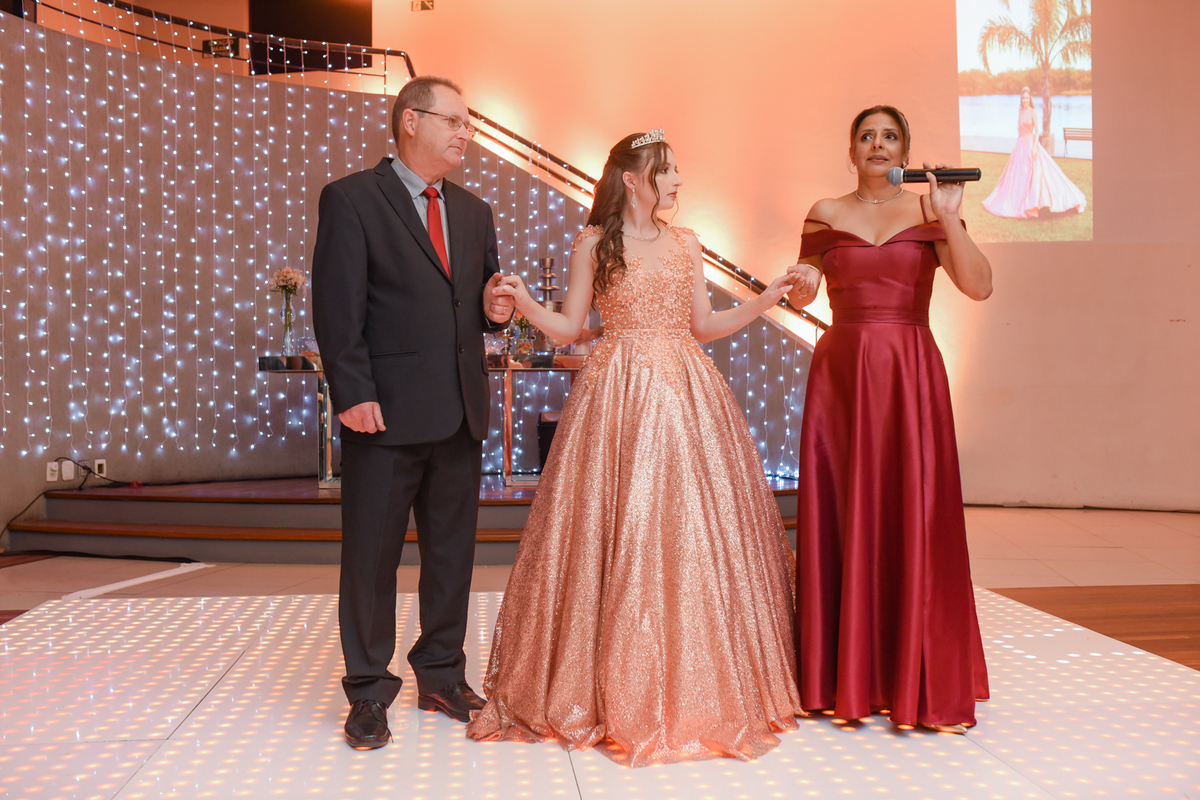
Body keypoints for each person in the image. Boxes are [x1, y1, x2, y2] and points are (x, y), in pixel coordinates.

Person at [465, 131, 805, 767]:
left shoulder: (686, 242)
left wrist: (764, 300)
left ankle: (696, 680)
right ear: (631, 178)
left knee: (686, 530)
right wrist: (526, 303)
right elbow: (569, 328)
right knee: (615, 527)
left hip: (685, 393)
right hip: (616, 393)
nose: (677, 181)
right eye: (665, 170)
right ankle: (607, 684)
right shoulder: (594, 243)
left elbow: (703, 325)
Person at [311, 76, 514, 750]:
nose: (465, 134)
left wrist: (495, 312)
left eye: (468, 124)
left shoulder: (475, 211)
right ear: (409, 122)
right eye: (453, 121)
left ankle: (441, 675)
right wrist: (352, 392)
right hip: (384, 413)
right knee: (371, 559)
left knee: (451, 557)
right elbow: (337, 308)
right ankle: (368, 690)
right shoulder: (351, 199)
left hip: (458, 411)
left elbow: (473, 308)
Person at [785, 106, 992, 732]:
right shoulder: (824, 212)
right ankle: (841, 677)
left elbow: (979, 286)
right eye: (867, 136)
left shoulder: (930, 212)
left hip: (910, 372)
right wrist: (800, 282)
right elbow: (806, 284)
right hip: (841, 378)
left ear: (905, 151)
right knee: (843, 511)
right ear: (851, 151)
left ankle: (917, 673)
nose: (878, 145)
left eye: (890, 137)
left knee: (916, 511)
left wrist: (949, 217)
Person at [982, 87, 1086, 218]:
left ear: (1029, 99)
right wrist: (1018, 145)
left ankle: (1035, 203)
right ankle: (1018, 202)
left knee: (1036, 172)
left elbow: (1037, 131)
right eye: (1023, 98)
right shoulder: (1020, 112)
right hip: (1020, 145)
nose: (1025, 100)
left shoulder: (1033, 112)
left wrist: (1035, 146)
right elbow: (1019, 130)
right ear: (1021, 99)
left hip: (1031, 143)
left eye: (1027, 98)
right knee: (1016, 175)